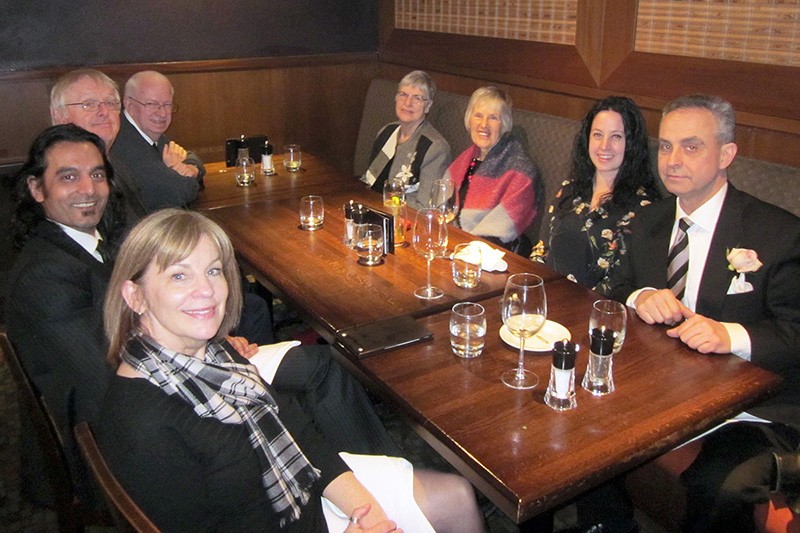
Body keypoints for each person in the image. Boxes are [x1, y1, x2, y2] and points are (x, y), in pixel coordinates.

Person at [6, 125, 401, 509]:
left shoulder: (86, 240)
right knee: (320, 367)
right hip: (117, 443)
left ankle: (365, 482)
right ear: (37, 189)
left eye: (96, 175)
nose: (88, 189)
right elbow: (106, 376)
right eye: (68, 177)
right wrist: (209, 358)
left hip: (177, 364)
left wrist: (208, 342)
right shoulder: (45, 274)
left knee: (312, 362)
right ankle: (378, 486)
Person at [96, 208, 484, 532]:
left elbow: (294, 429)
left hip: (299, 497)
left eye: (213, 271)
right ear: (135, 296)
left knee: (457, 496)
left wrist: (365, 512)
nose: (207, 291)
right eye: (179, 276)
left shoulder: (210, 354)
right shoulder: (141, 421)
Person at [607, 95, 800, 531]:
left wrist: (730, 335)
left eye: (691, 146)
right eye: (665, 146)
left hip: (754, 408)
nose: (673, 160)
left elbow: (796, 332)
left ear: (726, 154)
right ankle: (605, 522)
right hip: (663, 389)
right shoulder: (650, 221)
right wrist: (641, 296)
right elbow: (616, 289)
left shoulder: (779, 233)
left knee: (718, 484)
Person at [532, 96, 661, 294]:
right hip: (546, 298)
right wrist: (531, 290)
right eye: (598, 135)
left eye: (616, 136)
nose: (604, 146)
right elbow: (541, 251)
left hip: (594, 308)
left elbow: (621, 283)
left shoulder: (644, 208)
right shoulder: (570, 189)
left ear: (631, 143)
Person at [444, 86, 538, 254]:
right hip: (453, 245)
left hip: (490, 255)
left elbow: (500, 232)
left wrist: (459, 249)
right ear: (469, 120)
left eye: (493, 118)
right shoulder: (464, 161)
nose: (483, 124)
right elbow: (440, 209)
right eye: (478, 115)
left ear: (504, 124)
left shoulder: (520, 171)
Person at [49, 68, 147, 219]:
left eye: (110, 103)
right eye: (89, 104)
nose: (104, 111)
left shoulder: (116, 163)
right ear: (60, 115)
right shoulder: (61, 180)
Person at [110, 70, 206, 212]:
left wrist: (192, 168)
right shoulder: (123, 140)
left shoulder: (148, 132)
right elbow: (180, 191)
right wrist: (175, 167)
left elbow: (189, 156)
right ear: (129, 104)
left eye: (167, 104)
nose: (162, 113)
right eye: (151, 104)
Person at [361, 70, 451, 210]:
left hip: (402, 218)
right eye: (403, 94)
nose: (408, 103)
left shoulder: (434, 148)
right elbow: (367, 180)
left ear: (428, 106)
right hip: (370, 208)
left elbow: (426, 208)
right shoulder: (387, 131)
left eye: (417, 98)